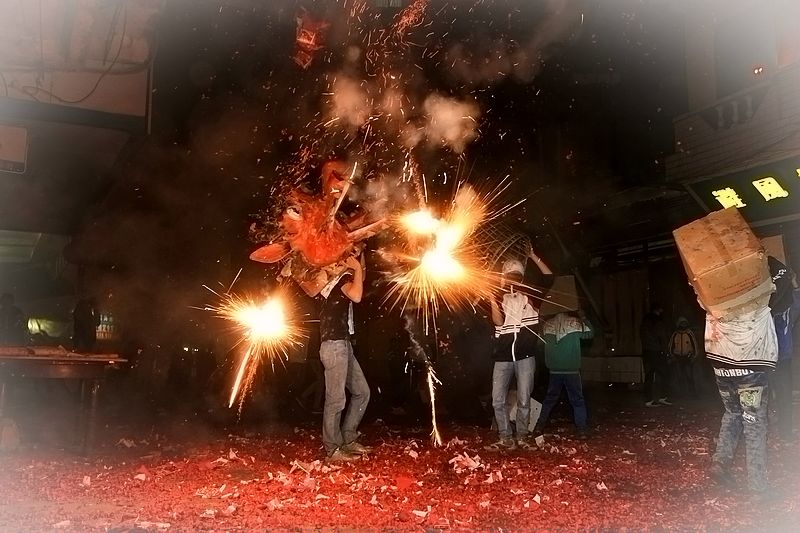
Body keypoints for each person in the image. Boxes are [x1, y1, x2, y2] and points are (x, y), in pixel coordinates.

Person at [706, 304, 778, 499]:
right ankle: (758, 486)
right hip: (749, 366)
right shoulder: (753, 290)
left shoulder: (714, 291)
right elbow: (779, 301)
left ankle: (721, 463)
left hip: (721, 363)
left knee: (733, 413)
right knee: (753, 423)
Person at [484, 253, 551, 452]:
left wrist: (533, 255)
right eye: (509, 275)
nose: (512, 279)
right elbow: (498, 322)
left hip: (526, 356)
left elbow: (549, 277)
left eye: (516, 276)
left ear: (521, 276)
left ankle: (522, 437)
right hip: (502, 357)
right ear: (504, 276)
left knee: (524, 399)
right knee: (497, 400)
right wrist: (492, 299)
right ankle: (505, 438)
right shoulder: (499, 295)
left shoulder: (531, 296)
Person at [319, 254, 371, 462]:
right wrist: (356, 267)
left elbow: (360, 279)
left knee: (362, 392)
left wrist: (361, 257)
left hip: (342, 344)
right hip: (334, 346)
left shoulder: (339, 282)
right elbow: (357, 295)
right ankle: (332, 449)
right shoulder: (336, 282)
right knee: (336, 399)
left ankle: (348, 439)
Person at [533, 310, 594, 438]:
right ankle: (582, 429)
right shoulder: (575, 322)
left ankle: (539, 426)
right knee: (577, 400)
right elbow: (590, 333)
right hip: (572, 370)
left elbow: (538, 342)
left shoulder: (547, 324)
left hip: (554, 370)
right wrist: (583, 316)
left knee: (549, 399)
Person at [767, 256, 794, 440]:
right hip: (768, 360)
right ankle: (770, 430)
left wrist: (792, 281)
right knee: (766, 397)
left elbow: (797, 295)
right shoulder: (764, 313)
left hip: (781, 359)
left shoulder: (788, 311)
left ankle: (785, 432)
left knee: (783, 396)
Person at [641, 305, 672, 406]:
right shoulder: (658, 322)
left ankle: (648, 400)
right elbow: (662, 337)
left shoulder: (644, 322)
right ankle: (663, 397)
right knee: (664, 374)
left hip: (647, 351)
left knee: (649, 376)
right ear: (659, 310)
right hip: (657, 351)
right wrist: (666, 351)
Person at [668, 317, 699, 397]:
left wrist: (694, 356)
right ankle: (681, 394)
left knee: (689, 376)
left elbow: (695, 345)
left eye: (684, 323)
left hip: (687, 357)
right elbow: (671, 345)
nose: (683, 325)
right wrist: (672, 355)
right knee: (679, 376)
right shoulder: (675, 334)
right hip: (678, 357)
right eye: (682, 323)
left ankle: (692, 393)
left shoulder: (689, 333)